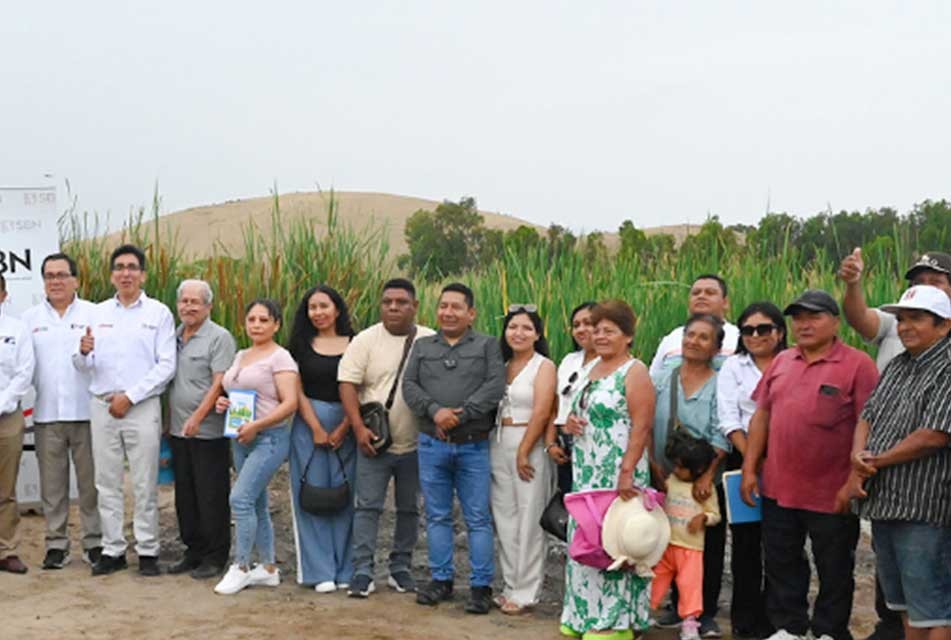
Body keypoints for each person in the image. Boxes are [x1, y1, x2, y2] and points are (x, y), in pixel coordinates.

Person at [740, 289, 879, 640]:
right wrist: (749, 468)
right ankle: (790, 628)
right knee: (782, 563)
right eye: (798, 317)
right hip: (778, 488)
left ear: (835, 322)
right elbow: (762, 416)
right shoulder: (783, 361)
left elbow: (871, 423)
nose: (804, 324)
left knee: (834, 568)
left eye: (814, 316)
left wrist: (853, 481)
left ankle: (829, 631)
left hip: (831, 490)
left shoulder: (858, 365)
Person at [839, 249, 951, 640]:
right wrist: (858, 456)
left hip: (925, 507)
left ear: (943, 325)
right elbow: (868, 415)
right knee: (904, 606)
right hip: (885, 501)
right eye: (902, 318)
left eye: (916, 319)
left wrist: (876, 461)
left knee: (934, 609)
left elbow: (935, 434)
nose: (904, 327)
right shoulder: (900, 363)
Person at [73, 244, 176, 577]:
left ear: (143, 274)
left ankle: (148, 551)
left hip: (141, 407)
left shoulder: (158, 313)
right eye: (119, 267)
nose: (126, 273)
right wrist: (83, 353)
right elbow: (81, 364)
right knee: (107, 482)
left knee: (145, 482)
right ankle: (113, 549)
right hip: (102, 406)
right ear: (112, 274)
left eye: (132, 267)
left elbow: (166, 366)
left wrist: (130, 397)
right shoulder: (96, 313)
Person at [402, 282, 506, 615]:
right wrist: (436, 412)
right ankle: (441, 579)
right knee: (437, 515)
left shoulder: (488, 345)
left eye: (456, 307)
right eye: (443, 306)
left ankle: (480, 586)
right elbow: (410, 385)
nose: (448, 312)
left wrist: (461, 415)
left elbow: (494, 386)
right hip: (432, 445)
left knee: (477, 518)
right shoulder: (422, 346)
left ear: (471, 313)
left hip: (473, 446)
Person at [559, 299, 656, 640]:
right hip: (587, 470)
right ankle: (582, 612)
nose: (599, 336)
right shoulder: (589, 368)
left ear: (627, 336)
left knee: (616, 541)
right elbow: (578, 407)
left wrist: (628, 469)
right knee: (586, 537)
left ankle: (615, 621)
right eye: (596, 329)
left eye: (609, 330)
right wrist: (570, 424)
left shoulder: (635, 371)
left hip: (619, 471)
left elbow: (643, 426)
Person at [338, 278, 435, 598]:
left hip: (418, 445)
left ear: (415, 306)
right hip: (374, 442)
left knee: (410, 508)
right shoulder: (365, 340)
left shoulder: (430, 340)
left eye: (401, 302)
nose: (393, 307)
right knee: (367, 506)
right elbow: (348, 384)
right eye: (387, 302)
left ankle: (400, 568)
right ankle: (363, 570)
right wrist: (358, 428)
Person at [651, 313, 731, 638]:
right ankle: (675, 605)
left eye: (702, 337)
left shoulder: (720, 382)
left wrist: (707, 475)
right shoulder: (664, 375)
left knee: (704, 545)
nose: (692, 341)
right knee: (666, 540)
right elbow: (644, 413)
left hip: (702, 478)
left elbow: (721, 430)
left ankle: (705, 612)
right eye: (689, 334)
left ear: (716, 347)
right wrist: (652, 465)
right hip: (663, 474)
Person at [21, 253, 102, 570]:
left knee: (90, 485)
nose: (55, 281)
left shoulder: (95, 313)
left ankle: (94, 542)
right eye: (49, 276)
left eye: (62, 275)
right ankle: (56, 545)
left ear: (76, 280)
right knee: (52, 487)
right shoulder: (29, 319)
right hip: (46, 415)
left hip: (87, 414)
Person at [214, 299, 299, 595]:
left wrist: (257, 426)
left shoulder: (281, 358)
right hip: (240, 437)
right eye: (252, 319)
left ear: (276, 324)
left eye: (264, 320)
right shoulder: (241, 355)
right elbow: (236, 392)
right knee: (256, 502)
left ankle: (241, 566)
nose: (257, 325)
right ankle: (268, 567)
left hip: (269, 438)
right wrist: (222, 402)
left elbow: (290, 403)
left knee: (239, 499)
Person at [716, 302, 787, 640]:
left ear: (780, 331)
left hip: (790, 462)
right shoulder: (733, 367)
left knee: (782, 542)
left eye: (764, 329)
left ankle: (780, 618)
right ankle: (745, 620)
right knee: (746, 544)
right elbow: (728, 417)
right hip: (743, 460)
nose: (756, 335)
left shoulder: (793, 362)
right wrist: (753, 460)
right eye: (748, 330)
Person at [287, 285, 356, 593]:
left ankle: (346, 569)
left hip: (349, 423)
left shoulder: (356, 343)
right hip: (307, 424)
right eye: (312, 307)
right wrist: (314, 426)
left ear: (337, 309)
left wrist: (346, 426)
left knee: (345, 494)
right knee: (311, 495)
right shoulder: (300, 346)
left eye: (324, 306)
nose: (318, 313)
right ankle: (319, 571)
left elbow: (361, 386)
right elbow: (296, 389)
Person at [166, 279, 237, 579]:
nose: (189, 307)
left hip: (207, 432)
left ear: (208, 306)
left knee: (211, 494)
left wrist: (198, 416)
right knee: (186, 494)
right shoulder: (174, 336)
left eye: (196, 302)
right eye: (184, 301)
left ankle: (215, 554)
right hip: (178, 431)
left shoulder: (219, 338)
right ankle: (192, 550)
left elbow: (219, 382)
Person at [491, 304, 557, 614]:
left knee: (529, 516)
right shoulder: (500, 364)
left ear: (538, 334)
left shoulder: (543, 366)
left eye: (526, 328)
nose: (519, 333)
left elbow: (543, 409)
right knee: (504, 516)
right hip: (498, 441)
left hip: (528, 443)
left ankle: (527, 590)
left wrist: (524, 450)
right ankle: (509, 584)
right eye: (513, 327)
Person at [651, 431, 723, 640]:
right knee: (655, 581)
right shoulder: (671, 481)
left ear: (698, 469)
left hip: (691, 550)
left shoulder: (705, 490)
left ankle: (690, 623)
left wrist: (703, 518)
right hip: (667, 545)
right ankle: (643, 612)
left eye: (681, 467)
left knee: (690, 587)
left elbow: (715, 515)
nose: (676, 470)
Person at [840, 249, 951, 370]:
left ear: (944, 326)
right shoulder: (895, 319)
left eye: (935, 282)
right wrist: (853, 284)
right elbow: (859, 318)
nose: (925, 287)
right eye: (919, 282)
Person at [0, 272, 35, 574]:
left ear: (3, 295)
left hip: (6, 416)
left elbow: (24, 373)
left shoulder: (17, 329)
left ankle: (6, 549)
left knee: (5, 488)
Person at [545, 301, 597, 495]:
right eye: (576, 325)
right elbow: (556, 405)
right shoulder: (569, 360)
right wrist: (551, 442)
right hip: (565, 448)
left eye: (588, 323)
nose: (581, 329)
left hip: (594, 448)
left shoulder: (611, 364)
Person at [649, 274, 740, 378]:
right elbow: (653, 380)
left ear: (725, 302)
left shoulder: (738, 337)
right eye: (696, 293)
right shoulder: (672, 338)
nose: (701, 296)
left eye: (710, 293)